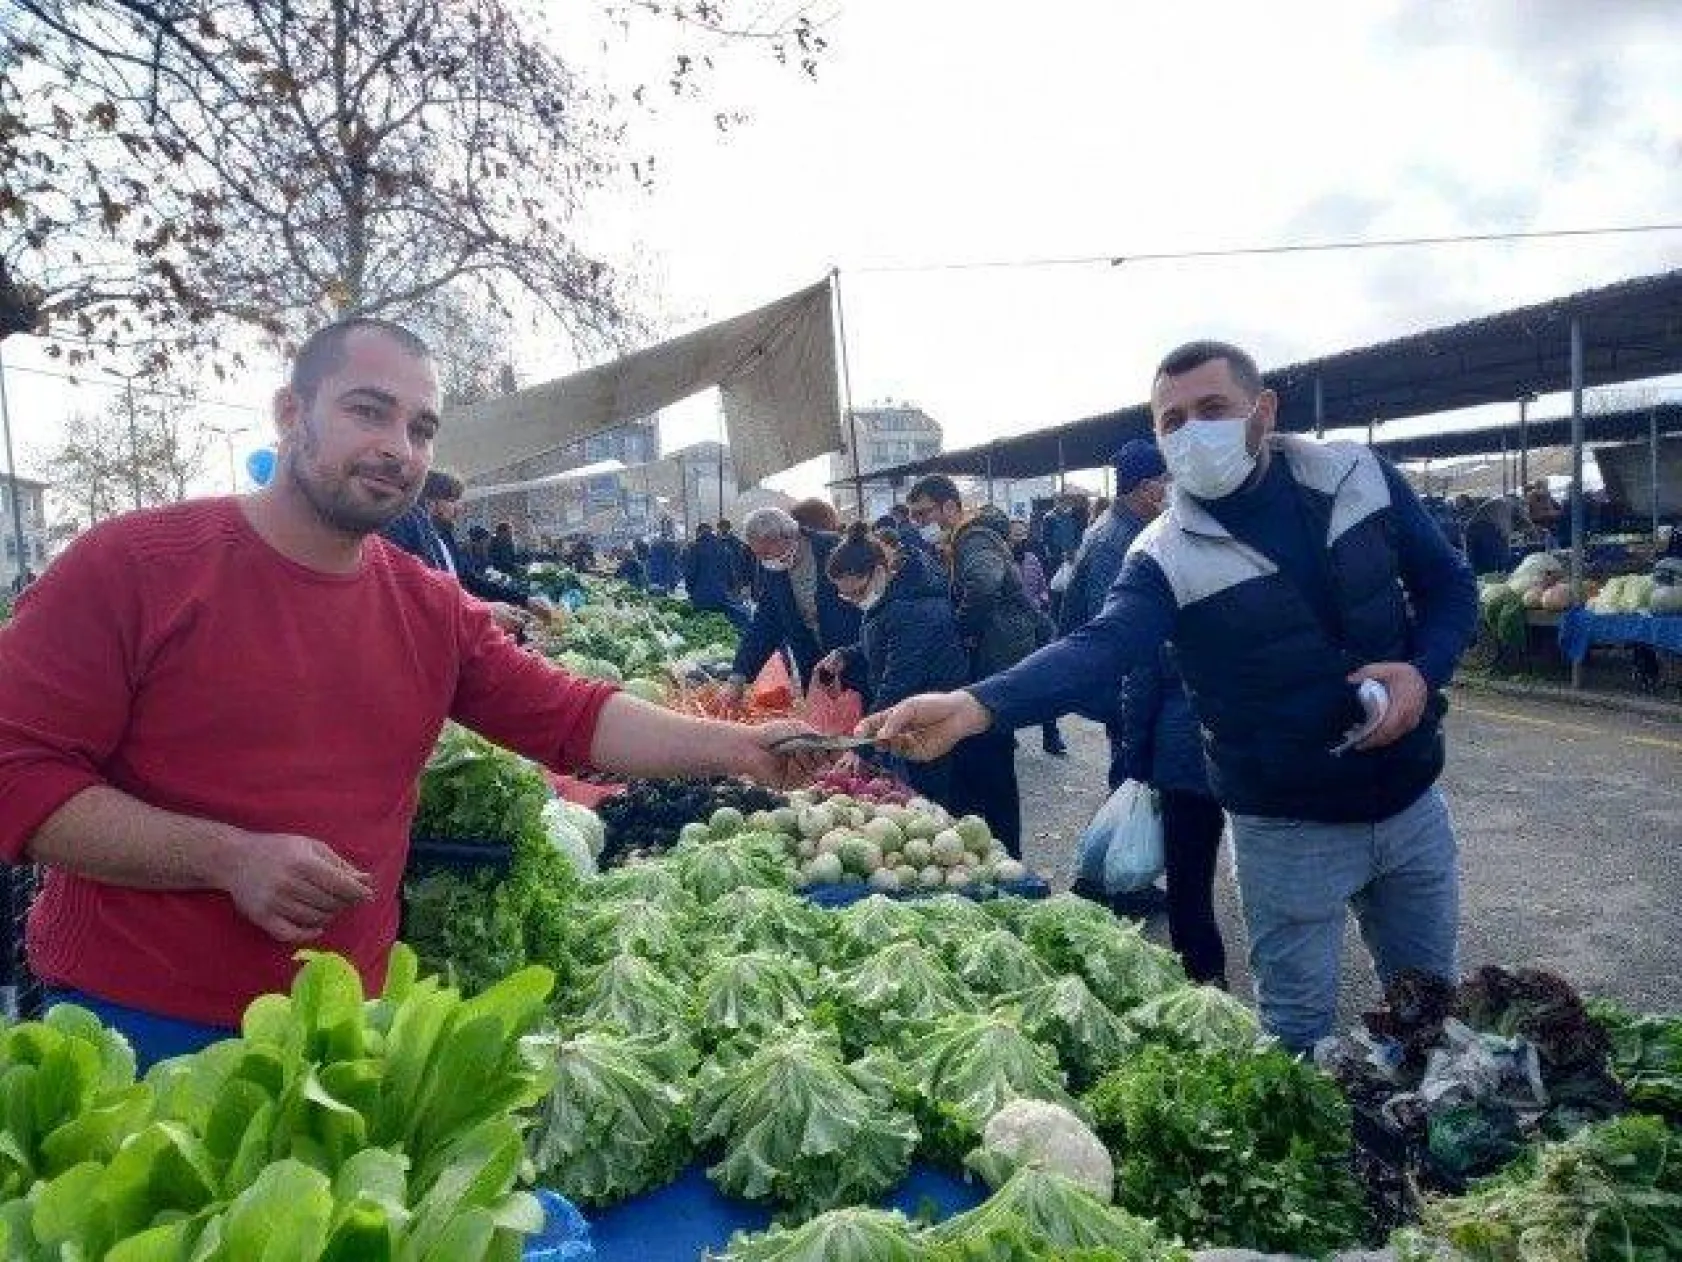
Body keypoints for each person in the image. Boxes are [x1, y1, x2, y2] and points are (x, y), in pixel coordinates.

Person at [0, 317, 826, 1067]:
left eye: (421, 427)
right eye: (368, 410)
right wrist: (226, 858)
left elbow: (573, 716)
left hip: (346, 1024)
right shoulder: (132, 564)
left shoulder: (427, 605)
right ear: (291, 414)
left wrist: (743, 746)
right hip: (130, 1029)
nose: (399, 445)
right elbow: (17, 775)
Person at [865, 341, 1478, 1051]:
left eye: (1212, 409)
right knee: (1297, 1037)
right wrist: (975, 706)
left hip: (1410, 803)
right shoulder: (1164, 551)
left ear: (1263, 410)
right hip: (1286, 823)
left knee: (1436, 1011)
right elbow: (1101, 645)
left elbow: (1449, 585)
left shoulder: (1359, 476)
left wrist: (1423, 671)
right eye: (1172, 420)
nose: (1192, 432)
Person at [904, 475, 1045, 856]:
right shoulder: (958, 542)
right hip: (993, 657)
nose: (919, 522)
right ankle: (997, 847)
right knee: (986, 757)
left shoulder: (974, 538)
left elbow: (983, 585)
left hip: (994, 659)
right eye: (914, 515)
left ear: (950, 506)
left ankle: (1006, 852)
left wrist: (961, 632)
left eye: (925, 512)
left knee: (992, 760)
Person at [814, 524, 969, 806]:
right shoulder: (891, 597)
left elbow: (899, 680)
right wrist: (847, 654)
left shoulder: (911, 607)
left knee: (930, 794)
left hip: (931, 711)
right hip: (910, 710)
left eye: (858, 592)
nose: (855, 601)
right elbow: (884, 643)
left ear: (879, 570)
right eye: (846, 596)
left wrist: (861, 747)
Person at [1059, 440, 1171, 786]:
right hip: (1129, 694)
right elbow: (1116, 634)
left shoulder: (1122, 528)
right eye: (1167, 479)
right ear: (1147, 489)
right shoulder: (1117, 542)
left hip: (1131, 691)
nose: (1172, 488)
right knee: (1132, 788)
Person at [726, 507, 862, 706]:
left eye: (765, 552)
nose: (763, 560)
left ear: (788, 537)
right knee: (823, 721)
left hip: (852, 651)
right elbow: (765, 624)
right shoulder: (774, 568)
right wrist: (739, 675)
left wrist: (852, 651)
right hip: (811, 658)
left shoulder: (832, 547)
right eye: (758, 554)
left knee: (861, 714)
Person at [383, 468, 546, 633]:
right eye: (453, 500)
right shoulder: (405, 534)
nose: (460, 508)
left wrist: (523, 599)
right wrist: (482, 610)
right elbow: (418, 595)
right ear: (431, 503)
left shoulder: (445, 537)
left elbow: (468, 579)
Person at [1008, 518, 1068, 757]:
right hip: (1011, 634)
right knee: (1011, 683)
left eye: (1023, 534)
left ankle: (1051, 736)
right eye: (1015, 535)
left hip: (1036, 629)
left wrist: (1042, 600)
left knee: (1045, 683)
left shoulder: (1033, 559)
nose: (1020, 539)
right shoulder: (1000, 563)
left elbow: (1044, 587)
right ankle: (1008, 733)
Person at [682, 521, 752, 633]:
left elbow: (690, 573)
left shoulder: (695, 548)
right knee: (719, 627)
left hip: (700, 598)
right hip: (722, 596)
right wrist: (731, 591)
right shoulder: (724, 548)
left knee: (702, 629)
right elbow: (731, 574)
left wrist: (690, 590)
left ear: (698, 533)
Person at [717, 518, 756, 597]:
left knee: (733, 600)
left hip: (735, 578)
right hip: (723, 578)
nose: (723, 529)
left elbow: (744, 561)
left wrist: (745, 579)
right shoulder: (717, 542)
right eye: (721, 527)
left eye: (725, 527)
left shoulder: (736, 542)